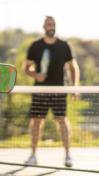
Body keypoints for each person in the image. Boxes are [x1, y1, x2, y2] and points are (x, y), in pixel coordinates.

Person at [22, 16, 79, 167]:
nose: (51, 27)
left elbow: (73, 67)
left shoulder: (64, 45)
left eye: (53, 25)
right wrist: (36, 75)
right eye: (49, 25)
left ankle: (68, 156)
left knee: (62, 121)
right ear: (44, 27)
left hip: (59, 90)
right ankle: (33, 155)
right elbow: (26, 67)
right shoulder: (35, 45)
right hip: (40, 90)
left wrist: (75, 88)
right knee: (36, 122)